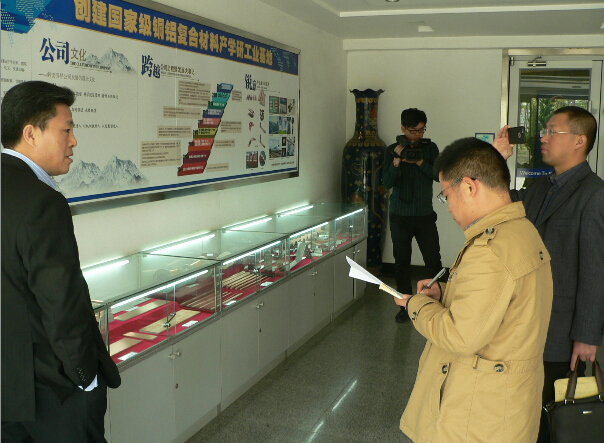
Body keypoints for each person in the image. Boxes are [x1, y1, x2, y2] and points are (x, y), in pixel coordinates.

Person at [395, 138, 553, 443]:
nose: (448, 207)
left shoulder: (490, 250)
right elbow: (501, 302)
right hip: (506, 405)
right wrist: (444, 294)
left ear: (469, 187)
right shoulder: (522, 230)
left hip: (476, 416)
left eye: (446, 196)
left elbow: (460, 336)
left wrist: (417, 305)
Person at [1, 81, 121, 443]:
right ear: (31, 134)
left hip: (9, 388)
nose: (74, 141)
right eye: (66, 130)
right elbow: (61, 303)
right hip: (55, 391)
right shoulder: (42, 201)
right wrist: (86, 378)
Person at [493, 106, 604, 443]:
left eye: (552, 131)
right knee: (526, 414)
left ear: (579, 141)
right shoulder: (540, 185)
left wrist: (587, 336)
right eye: (545, 131)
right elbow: (500, 205)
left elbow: (596, 271)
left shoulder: (595, 194)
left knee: (556, 416)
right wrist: (498, 160)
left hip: (561, 333)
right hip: (526, 322)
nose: (543, 137)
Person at [382, 108, 443, 323]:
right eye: (413, 131)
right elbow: (386, 183)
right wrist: (396, 162)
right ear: (403, 128)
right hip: (399, 215)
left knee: (433, 260)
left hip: (424, 214)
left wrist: (420, 162)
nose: (418, 135)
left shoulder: (430, 148)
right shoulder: (391, 150)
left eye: (421, 130)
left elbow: (439, 176)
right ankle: (404, 306)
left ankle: (438, 300)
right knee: (401, 263)